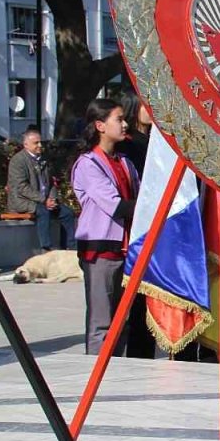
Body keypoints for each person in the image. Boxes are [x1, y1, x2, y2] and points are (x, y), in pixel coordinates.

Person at [71, 99, 140, 356]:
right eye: (118, 119)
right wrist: (152, 208)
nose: (125, 124)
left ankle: (116, 370)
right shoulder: (88, 164)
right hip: (101, 249)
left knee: (122, 321)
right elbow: (115, 205)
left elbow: (141, 195)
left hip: (127, 248)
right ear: (100, 125)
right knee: (102, 321)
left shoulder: (124, 162)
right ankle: (96, 371)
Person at [114, 93, 158, 360]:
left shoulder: (154, 140)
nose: (151, 109)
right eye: (145, 104)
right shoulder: (130, 146)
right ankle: (136, 354)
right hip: (137, 228)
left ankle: (145, 351)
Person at [7, 128, 75, 252]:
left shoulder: (43, 159)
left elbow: (51, 182)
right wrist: (44, 200)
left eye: (40, 142)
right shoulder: (18, 161)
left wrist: (52, 198)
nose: (40, 145)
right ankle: (46, 248)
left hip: (44, 201)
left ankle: (69, 247)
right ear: (26, 145)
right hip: (23, 201)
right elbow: (21, 187)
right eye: (36, 143)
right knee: (43, 212)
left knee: (67, 213)